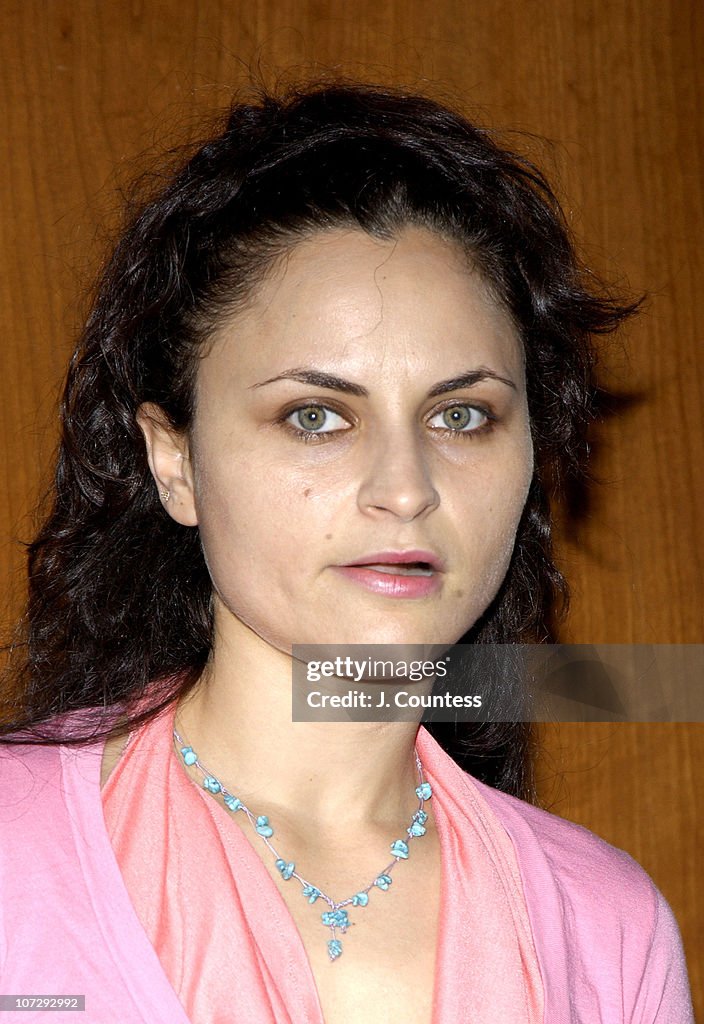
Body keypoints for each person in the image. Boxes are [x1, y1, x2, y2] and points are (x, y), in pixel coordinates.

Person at [0, 81, 693, 1023]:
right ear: (176, 462)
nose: (405, 487)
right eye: (316, 417)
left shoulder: (609, 931)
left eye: (462, 415)